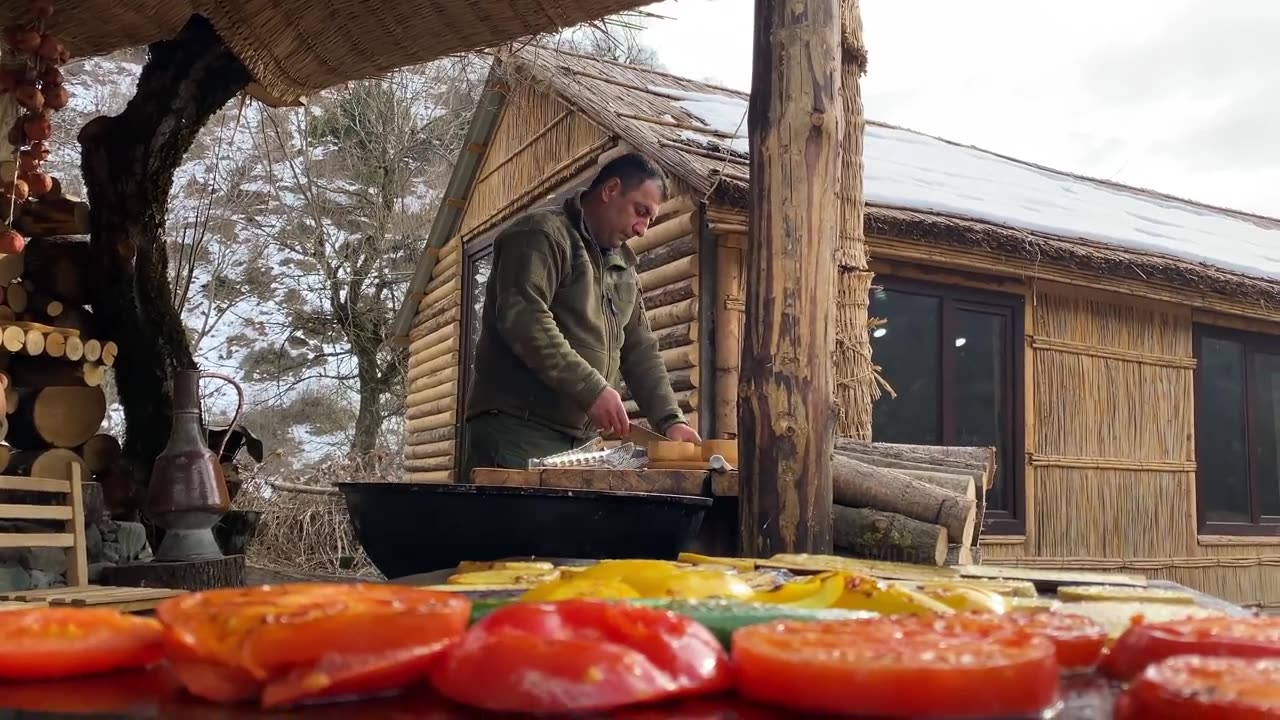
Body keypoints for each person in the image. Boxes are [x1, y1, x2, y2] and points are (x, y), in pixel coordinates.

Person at [461, 152, 702, 478]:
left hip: (582, 446)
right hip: (517, 433)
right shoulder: (541, 235)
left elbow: (639, 349)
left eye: (650, 220)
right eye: (640, 211)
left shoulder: (624, 268)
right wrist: (591, 389)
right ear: (610, 190)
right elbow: (524, 318)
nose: (643, 229)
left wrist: (671, 420)